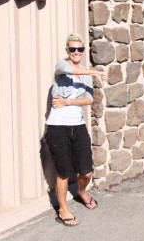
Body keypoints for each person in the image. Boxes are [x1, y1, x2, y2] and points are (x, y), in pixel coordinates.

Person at [45, 33, 105, 227]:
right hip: (58, 126)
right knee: (63, 171)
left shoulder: (85, 73)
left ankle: (81, 190)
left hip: (77, 126)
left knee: (86, 171)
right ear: (67, 51)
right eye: (73, 49)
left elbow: (89, 99)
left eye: (80, 49)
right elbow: (68, 68)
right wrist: (94, 73)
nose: (76, 52)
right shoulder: (61, 66)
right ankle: (63, 209)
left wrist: (67, 101)